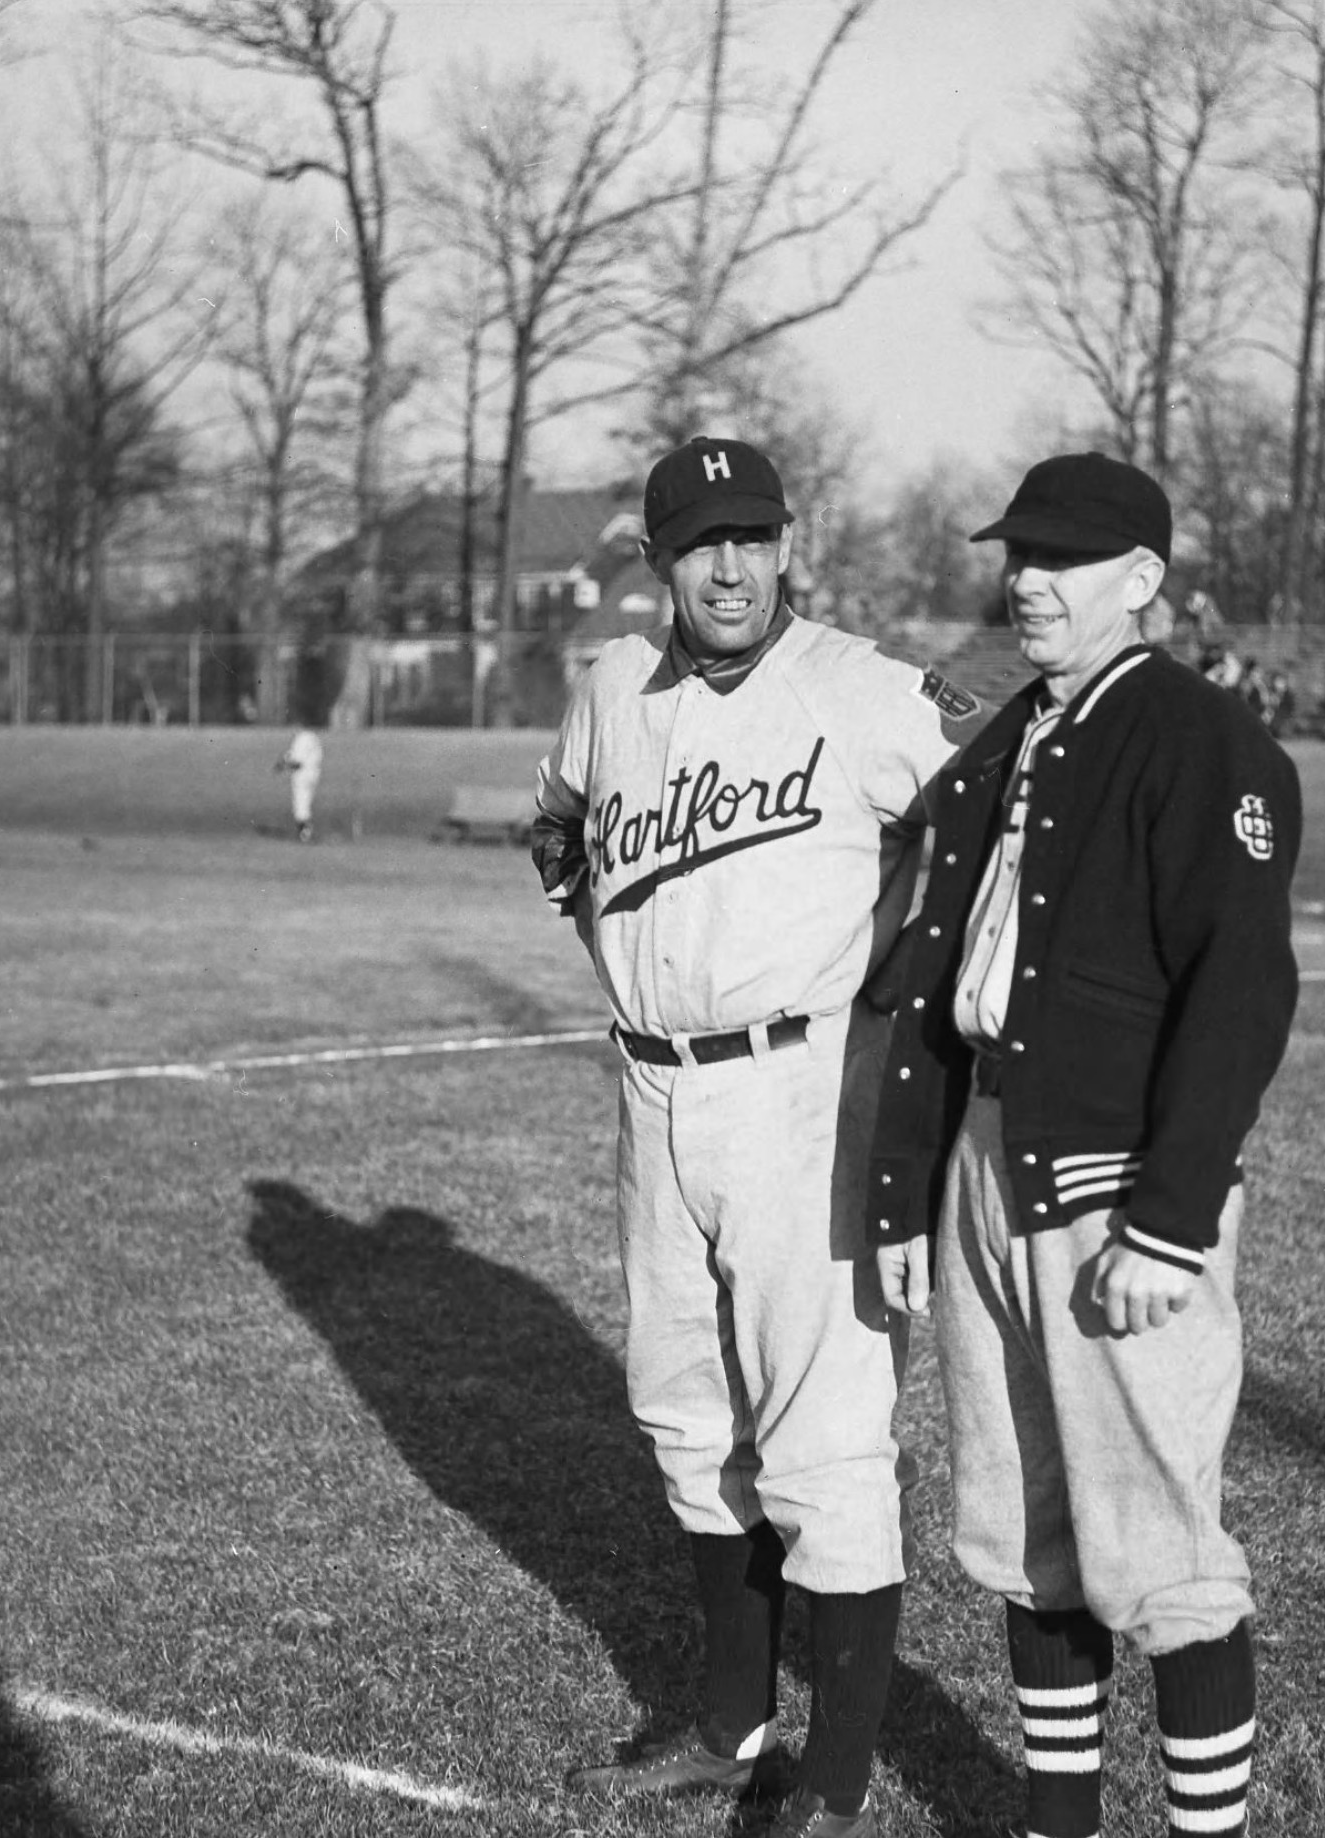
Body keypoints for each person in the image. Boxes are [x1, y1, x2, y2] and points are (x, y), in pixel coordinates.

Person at [535, 435, 977, 1838]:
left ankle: (835, 1780)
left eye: (753, 536)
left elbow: (992, 798)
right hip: (648, 1085)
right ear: (657, 560)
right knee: (680, 1404)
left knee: (822, 1427)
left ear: (786, 545)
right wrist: (595, 884)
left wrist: (916, 986)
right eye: (698, 542)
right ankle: (729, 1721)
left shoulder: (861, 689)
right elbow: (559, 821)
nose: (728, 565)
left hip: (805, 1084)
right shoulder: (609, 687)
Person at [867, 454, 1298, 1838]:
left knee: (1160, 1551)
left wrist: (1170, 1220)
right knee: (1025, 1535)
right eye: (1018, 554)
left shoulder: (1193, 733)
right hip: (991, 1158)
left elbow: (1240, 985)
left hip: (1113, 1182)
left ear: (1141, 580)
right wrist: (906, 1189)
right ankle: (1056, 1821)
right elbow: (944, 964)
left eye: (1062, 557)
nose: (1027, 579)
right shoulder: (1013, 727)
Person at [274, 722, 323, 842]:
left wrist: (283, 765)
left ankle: (305, 832)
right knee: (306, 801)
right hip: (314, 772)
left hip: (303, 773)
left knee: (301, 803)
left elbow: (297, 761)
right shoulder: (314, 737)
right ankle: (305, 831)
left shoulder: (302, 738)